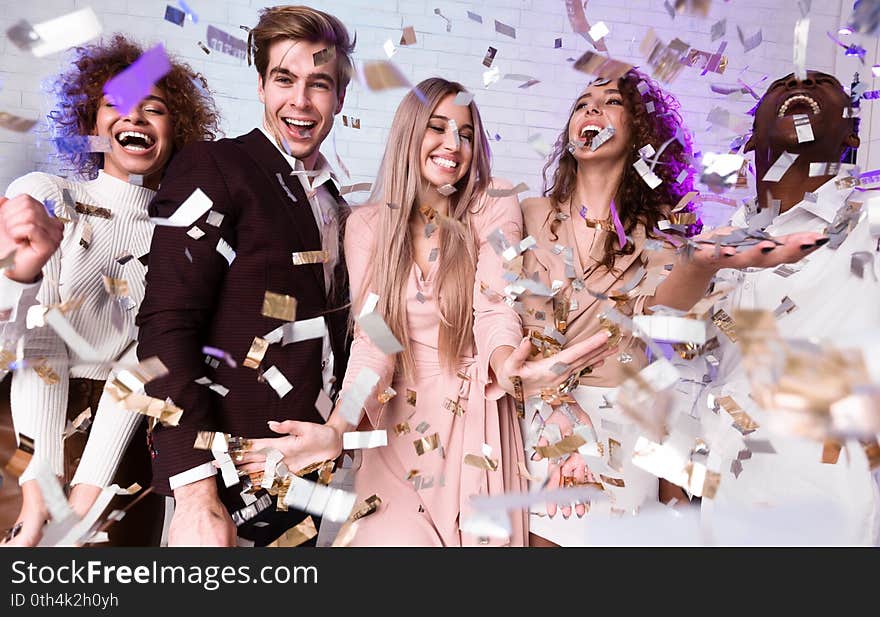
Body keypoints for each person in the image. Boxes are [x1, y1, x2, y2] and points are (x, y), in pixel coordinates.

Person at [235, 77, 617, 546]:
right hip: (399, 436)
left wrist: (506, 363)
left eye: (466, 133)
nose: (452, 145)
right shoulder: (366, 227)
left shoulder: (492, 203)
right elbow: (375, 344)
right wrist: (337, 427)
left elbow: (495, 304)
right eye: (437, 128)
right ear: (410, 133)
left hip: (478, 430)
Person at [517, 69, 835, 547]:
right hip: (540, 419)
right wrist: (559, 412)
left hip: (622, 429)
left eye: (611, 102)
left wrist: (701, 262)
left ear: (641, 133)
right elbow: (506, 317)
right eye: (582, 103)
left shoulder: (665, 239)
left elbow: (662, 347)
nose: (591, 110)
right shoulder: (528, 215)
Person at [136, 5, 354, 547]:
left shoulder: (332, 200)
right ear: (260, 85)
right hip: (224, 489)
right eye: (284, 79)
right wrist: (194, 492)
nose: (300, 102)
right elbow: (165, 328)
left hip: (308, 481)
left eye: (319, 84)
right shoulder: (214, 167)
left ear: (340, 98)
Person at [0, 34, 220, 546]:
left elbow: (145, 364)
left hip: (124, 445)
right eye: (116, 106)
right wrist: (40, 490)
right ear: (91, 124)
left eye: (155, 109)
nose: (135, 118)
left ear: (176, 129)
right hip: (31, 434)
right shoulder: (49, 196)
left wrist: (82, 503)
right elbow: (29, 340)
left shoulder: (180, 235)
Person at [691, 71, 880, 545]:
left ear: (851, 131)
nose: (803, 80)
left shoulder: (871, 221)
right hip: (720, 494)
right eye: (783, 83)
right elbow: (691, 361)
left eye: (823, 82)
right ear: (752, 132)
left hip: (825, 501)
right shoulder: (717, 242)